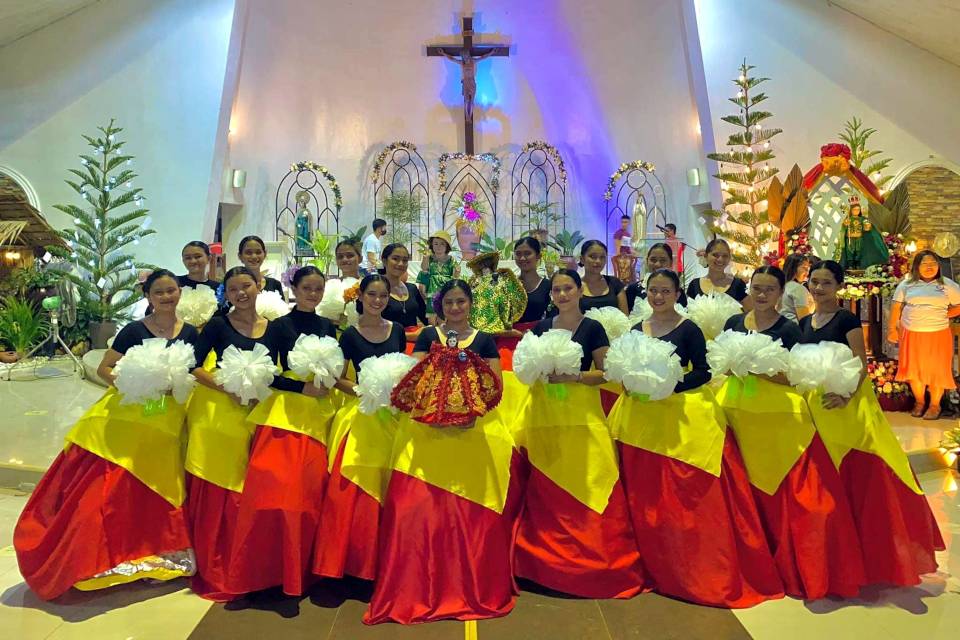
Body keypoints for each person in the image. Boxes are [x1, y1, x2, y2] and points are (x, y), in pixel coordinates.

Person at [15, 270, 199, 600]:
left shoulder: (192, 332)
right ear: (149, 296)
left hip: (169, 421)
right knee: (116, 486)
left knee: (161, 486)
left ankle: (160, 551)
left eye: (172, 290)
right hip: (131, 415)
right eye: (160, 292)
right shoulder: (133, 330)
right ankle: (102, 556)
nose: (167, 297)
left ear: (179, 293)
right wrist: (137, 384)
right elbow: (105, 368)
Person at [608, 269, 783, 607]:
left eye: (665, 291)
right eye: (653, 291)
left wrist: (671, 386)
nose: (658, 297)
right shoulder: (635, 329)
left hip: (681, 416)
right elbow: (621, 368)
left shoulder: (688, 330)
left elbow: (703, 371)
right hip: (640, 422)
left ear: (676, 294)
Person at [365, 280, 524, 624]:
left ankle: (470, 584)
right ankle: (415, 586)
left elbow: (494, 386)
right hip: (426, 436)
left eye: (461, 302)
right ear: (441, 306)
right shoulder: (427, 336)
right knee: (416, 510)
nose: (455, 308)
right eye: (449, 302)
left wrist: (468, 405)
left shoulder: (483, 340)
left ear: (470, 304)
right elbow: (416, 377)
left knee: (471, 513)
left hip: (471, 437)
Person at [719, 266, 866, 599]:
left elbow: (795, 375)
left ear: (781, 292)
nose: (761, 294)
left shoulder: (789, 328)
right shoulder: (732, 323)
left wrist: (760, 370)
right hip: (737, 413)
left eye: (769, 289)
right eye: (757, 287)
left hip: (779, 417)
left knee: (792, 493)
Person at [799, 260, 944, 586]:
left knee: (860, 475)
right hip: (817, 408)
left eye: (825, 283)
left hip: (848, 405)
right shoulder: (806, 321)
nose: (819, 289)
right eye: (815, 282)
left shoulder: (847, 319)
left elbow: (860, 364)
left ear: (838, 286)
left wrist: (845, 396)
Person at [513, 269, 645, 599]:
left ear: (578, 290)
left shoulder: (593, 327)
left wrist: (574, 378)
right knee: (548, 490)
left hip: (583, 417)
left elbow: (605, 372)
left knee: (593, 478)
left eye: (567, 288)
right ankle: (545, 565)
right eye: (556, 290)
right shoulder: (543, 327)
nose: (561, 294)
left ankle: (596, 563)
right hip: (546, 418)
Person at [185, 266, 303, 600]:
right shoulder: (219, 325)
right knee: (232, 490)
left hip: (266, 412)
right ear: (227, 293)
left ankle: (262, 563)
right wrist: (226, 387)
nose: (241, 293)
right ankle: (226, 562)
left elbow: (284, 370)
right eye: (234, 288)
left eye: (247, 286)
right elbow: (193, 365)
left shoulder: (277, 327)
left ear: (259, 286)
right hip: (226, 414)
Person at [225, 266, 339, 597]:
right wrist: (299, 387)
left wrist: (322, 383)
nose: (313, 294)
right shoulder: (279, 326)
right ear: (295, 288)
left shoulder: (329, 326)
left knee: (308, 494)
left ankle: (301, 569)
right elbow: (266, 371)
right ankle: (265, 569)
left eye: (319, 289)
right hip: (283, 413)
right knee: (272, 490)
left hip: (318, 416)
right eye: (307, 288)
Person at [313, 274, 406, 582]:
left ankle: (388, 563)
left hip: (392, 416)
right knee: (354, 490)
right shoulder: (350, 335)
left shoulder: (398, 330)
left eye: (383, 296)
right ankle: (355, 564)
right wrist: (363, 389)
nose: (377, 301)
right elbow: (337, 377)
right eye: (372, 295)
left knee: (391, 486)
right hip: (361, 416)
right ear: (361, 297)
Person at [888, 250, 960, 419]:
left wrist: (943, 314)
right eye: (925, 264)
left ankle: (935, 405)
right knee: (914, 371)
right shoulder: (906, 285)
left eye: (933, 263)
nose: (929, 267)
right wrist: (892, 329)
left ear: (939, 266)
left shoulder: (947, 285)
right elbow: (896, 307)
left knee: (937, 371)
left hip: (938, 334)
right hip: (912, 333)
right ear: (916, 267)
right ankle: (919, 402)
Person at [624, 242, 688, 313]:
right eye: (653, 260)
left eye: (663, 260)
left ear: (671, 262)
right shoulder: (632, 289)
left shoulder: (677, 291)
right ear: (647, 261)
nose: (657, 264)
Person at [687, 238, 750, 309]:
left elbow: (750, 313)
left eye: (725, 256)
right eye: (715, 255)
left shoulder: (738, 284)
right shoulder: (694, 285)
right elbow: (689, 313)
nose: (720, 259)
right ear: (706, 256)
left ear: (729, 258)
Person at [379, 243, 427, 333]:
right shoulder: (375, 291)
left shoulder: (412, 289)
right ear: (384, 261)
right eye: (395, 259)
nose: (401, 264)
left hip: (415, 344)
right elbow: (371, 327)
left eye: (405, 260)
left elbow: (426, 319)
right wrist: (409, 336)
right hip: (386, 344)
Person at [416, 230, 460, 322]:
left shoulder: (451, 260)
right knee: (431, 319)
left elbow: (455, 277)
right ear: (432, 245)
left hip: (445, 292)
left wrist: (456, 273)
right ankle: (432, 334)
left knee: (443, 318)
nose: (438, 247)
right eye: (435, 244)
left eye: (442, 244)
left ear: (446, 246)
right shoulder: (430, 258)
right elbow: (424, 270)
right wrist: (425, 258)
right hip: (432, 292)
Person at [579, 240, 629, 313]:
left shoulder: (614, 283)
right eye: (593, 256)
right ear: (582, 259)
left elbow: (625, 317)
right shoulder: (575, 286)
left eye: (602, 257)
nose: (598, 261)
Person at [513, 236, 551, 329]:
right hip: (510, 336)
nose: (522, 258)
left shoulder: (548, 286)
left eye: (527, 253)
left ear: (538, 256)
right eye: (518, 254)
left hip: (540, 336)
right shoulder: (509, 284)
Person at [780, 254, 814, 323]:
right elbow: (804, 320)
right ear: (794, 268)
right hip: (794, 330)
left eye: (808, 269)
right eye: (804, 268)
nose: (807, 273)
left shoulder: (782, 286)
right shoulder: (797, 288)